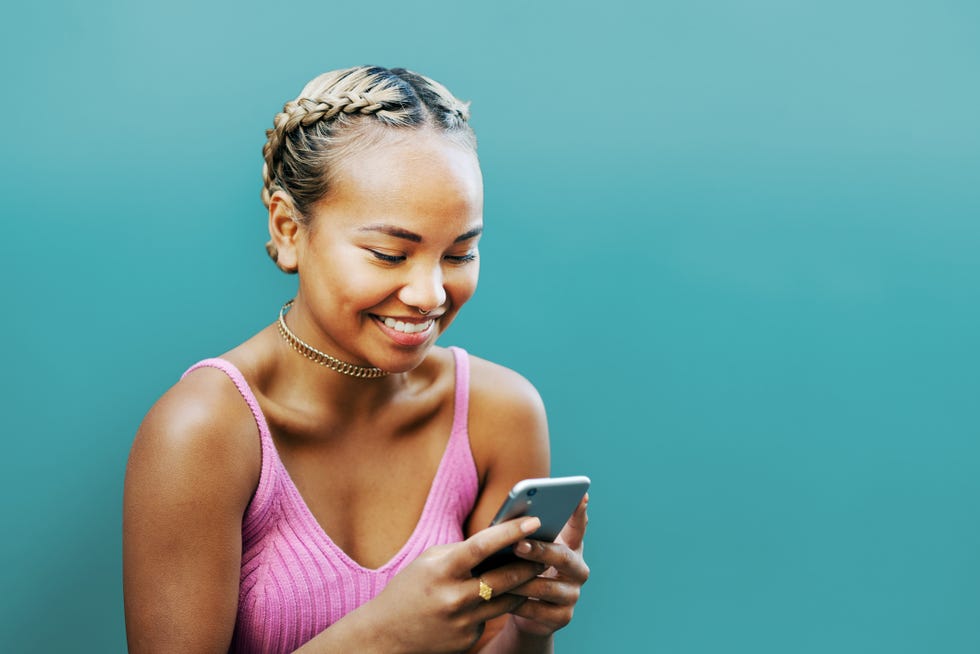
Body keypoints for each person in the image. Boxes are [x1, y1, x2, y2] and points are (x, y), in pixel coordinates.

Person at [123, 65, 589, 653]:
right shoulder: (203, 432)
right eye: (390, 254)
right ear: (289, 230)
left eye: (459, 253)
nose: (431, 295)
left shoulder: (500, 414)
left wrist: (528, 627)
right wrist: (383, 636)